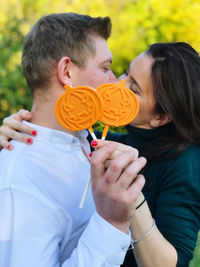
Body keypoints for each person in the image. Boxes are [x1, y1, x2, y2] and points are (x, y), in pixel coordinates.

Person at [2, 42, 200, 267]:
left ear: (161, 118)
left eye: (133, 88)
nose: (117, 84)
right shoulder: (101, 141)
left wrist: (131, 191)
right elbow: (63, 131)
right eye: (126, 72)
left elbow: (172, 263)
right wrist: (17, 127)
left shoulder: (186, 162)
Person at [0, 12, 147, 267]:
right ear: (66, 71)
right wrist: (111, 224)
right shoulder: (22, 184)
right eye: (105, 68)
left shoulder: (85, 144)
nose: (114, 81)